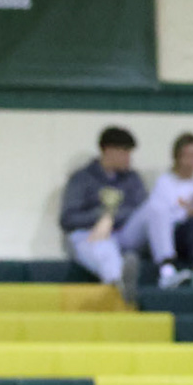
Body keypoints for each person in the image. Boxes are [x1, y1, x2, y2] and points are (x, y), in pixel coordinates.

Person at [60, 125, 153, 299]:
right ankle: (119, 280)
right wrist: (99, 218)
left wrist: (111, 217)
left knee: (155, 207)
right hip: (90, 235)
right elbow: (68, 219)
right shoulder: (82, 178)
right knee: (104, 248)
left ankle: (165, 265)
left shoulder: (132, 179)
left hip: (124, 234)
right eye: (125, 152)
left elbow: (140, 208)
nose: (129, 158)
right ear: (109, 150)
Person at [145, 131, 193, 290]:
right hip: (178, 236)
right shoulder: (165, 182)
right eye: (187, 155)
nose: (191, 161)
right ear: (177, 156)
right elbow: (160, 217)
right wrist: (188, 213)